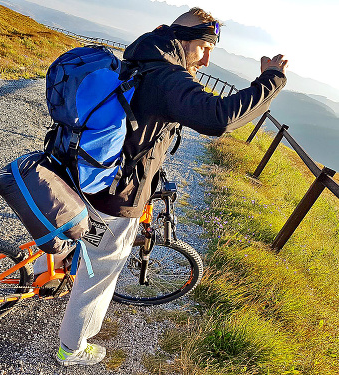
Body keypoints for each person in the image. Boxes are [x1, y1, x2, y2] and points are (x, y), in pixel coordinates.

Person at [51, 7, 288, 366]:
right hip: (115, 193)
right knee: (100, 269)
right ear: (184, 40)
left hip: (77, 168)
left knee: (68, 230)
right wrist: (271, 80)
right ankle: (72, 348)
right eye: (204, 47)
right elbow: (219, 117)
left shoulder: (137, 56)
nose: (207, 60)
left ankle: (41, 279)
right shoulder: (168, 77)